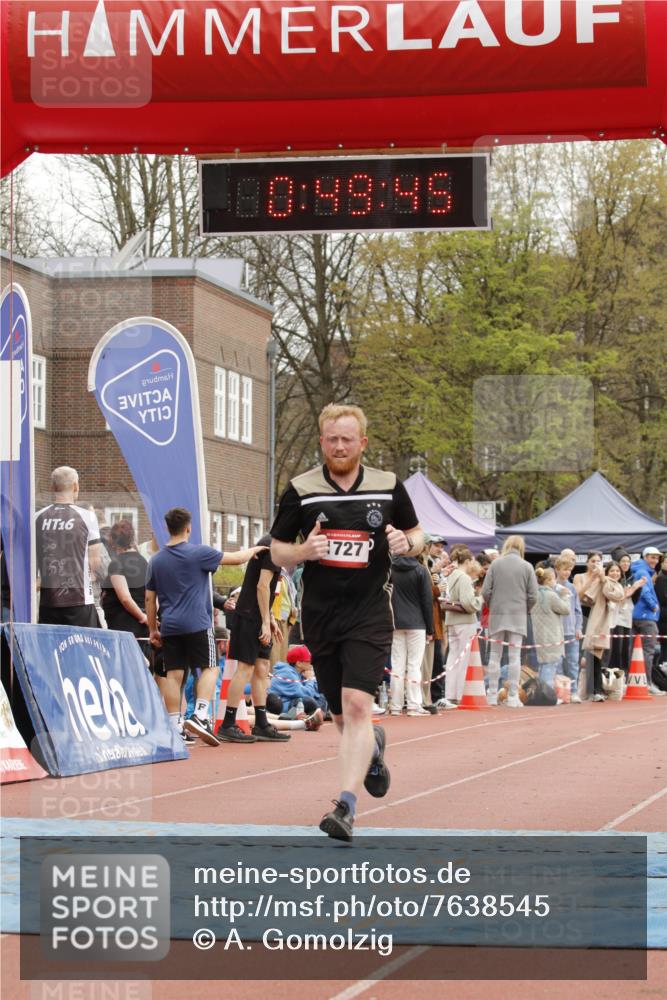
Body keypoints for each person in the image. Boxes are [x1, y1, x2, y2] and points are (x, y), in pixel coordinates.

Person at [270, 403, 423, 841]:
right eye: (332, 439)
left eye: (347, 439)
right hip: (321, 615)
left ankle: (345, 807)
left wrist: (405, 542)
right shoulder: (301, 489)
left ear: (363, 443)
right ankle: (372, 747)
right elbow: (277, 549)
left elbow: (418, 535)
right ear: (322, 442)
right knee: (340, 716)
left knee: (358, 705)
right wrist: (302, 553)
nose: (339, 446)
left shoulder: (387, 486)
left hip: (370, 611)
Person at [145, 507, 266, 746]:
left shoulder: (156, 560)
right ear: (188, 528)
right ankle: (200, 715)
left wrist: (152, 629)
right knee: (210, 668)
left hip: (170, 625)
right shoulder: (198, 553)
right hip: (197, 623)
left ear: (167, 529)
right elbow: (236, 558)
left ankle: (174, 726)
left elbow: (150, 598)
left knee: (174, 674)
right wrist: (256, 549)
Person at [220, 533, 290, 743]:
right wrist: (264, 621)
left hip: (258, 616)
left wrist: (269, 618)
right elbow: (261, 586)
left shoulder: (276, 546)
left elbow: (266, 589)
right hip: (250, 617)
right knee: (246, 668)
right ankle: (228, 724)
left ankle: (261, 723)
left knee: (262, 669)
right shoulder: (272, 546)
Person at [35, 466, 103, 627]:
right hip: (80, 600)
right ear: (75, 486)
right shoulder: (87, 517)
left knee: (51, 651)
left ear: (52, 487)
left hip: (48, 601)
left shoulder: (37, 517)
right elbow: (95, 563)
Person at [481, 535, 538, 708]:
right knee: (515, 657)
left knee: (494, 655)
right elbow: (533, 595)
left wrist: (494, 604)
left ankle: (491, 694)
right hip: (518, 615)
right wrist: (524, 608)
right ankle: (513, 695)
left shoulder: (495, 564)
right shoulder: (527, 566)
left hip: (497, 614)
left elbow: (485, 591)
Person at [388, 554, 434, 716]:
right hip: (417, 622)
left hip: (395, 621)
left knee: (397, 664)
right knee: (414, 664)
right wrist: (430, 629)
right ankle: (414, 705)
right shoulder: (420, 570)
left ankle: (395, 705)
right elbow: (427, 601)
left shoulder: (390, 569)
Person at [441, 547, 483, 708]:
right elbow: (468, 603)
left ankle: (451, 693)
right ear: (467, 561)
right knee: (463, 659)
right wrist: (479, 600)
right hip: (465, 621)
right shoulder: (464, 578)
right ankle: (459, 694)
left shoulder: (450, 575)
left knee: (453, 657)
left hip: (451, 619)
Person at [582, 562, 625, 701]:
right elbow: (587, 598)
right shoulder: (602, 582)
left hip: (614, 625)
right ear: (607, 571)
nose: (615, 573)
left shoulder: (617, 586)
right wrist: (600, 580)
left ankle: (600, 689)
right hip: (600, 625)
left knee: (605, 658)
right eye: (612, 571)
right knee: (595, 657)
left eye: (617, 571)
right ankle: (595, 690)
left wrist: (604, 579)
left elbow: (616, 595)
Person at [101, 519, 148, 638]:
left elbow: (125, 599)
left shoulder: (116, 564)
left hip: (124, 625)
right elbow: (152, 595)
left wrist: (143, 618)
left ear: (113, 540)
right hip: (142, 624)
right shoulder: (144, 561)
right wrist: (149, 617)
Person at [531, 566, 571, 694]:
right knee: (550, 664)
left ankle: (542, 692)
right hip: (552, 635)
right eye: (554, 579)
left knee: (543, 664)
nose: (556, 582)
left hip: (539, 634)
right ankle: (546, 693)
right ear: (548, 580)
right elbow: (565, 610)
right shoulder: (551, 595)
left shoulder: (534, 594)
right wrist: (565, 596)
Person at [630, 546, 662, 691]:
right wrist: (653, 605)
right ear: (645, 557)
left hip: (638, 615)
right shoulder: (643, 572)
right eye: (652, 557)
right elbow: (644, 590)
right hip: (646, 616)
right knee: (648, 651)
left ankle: (638, 682)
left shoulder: (640, 570)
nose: (655, 561)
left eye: (657, 558)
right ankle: (647, 683)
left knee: (636, 651)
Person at [554, 555, 583, 702]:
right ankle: (560, 693)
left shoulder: (572, 588)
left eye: (569, 570)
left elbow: (578, 611)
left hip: (571, 631)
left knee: (573, 663)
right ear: (557, 569)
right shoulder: (552, 587)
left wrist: (578, 628)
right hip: (556, 631)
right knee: (557, 664)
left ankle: (574, 692)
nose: (567, 573)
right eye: (564, 569)